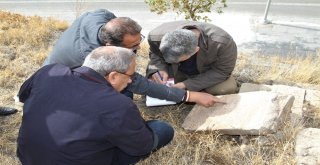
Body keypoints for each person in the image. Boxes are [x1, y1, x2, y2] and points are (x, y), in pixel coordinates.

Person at [17, 46, 174, 165]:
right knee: (162, 129)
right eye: (130, 75)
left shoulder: (48, 71)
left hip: (28, 157)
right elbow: (141, 147)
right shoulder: (118, 105)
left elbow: (23, 96)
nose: (130, 81)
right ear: (113, 76)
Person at [43, 9, 220, 107]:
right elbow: (138, 83)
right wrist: (189, 96)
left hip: (63, 62)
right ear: (110, 47)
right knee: (121, 100)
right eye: (132, 47)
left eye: (139, 39)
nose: (139, 47)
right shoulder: (93, 58)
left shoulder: (100, 16)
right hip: (59, 78)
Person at [146, 21, 238, 95]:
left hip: (205, 73)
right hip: (174, 70)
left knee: (225, 89)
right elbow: (154, 54)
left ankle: (194, 91)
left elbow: (222, 71)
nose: (171, 61)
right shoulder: (155, 36)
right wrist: (160, 69)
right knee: (153, 84)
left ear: (195, 50)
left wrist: (186, 85)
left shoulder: (222, 43)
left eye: (178, 59)